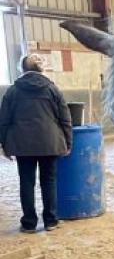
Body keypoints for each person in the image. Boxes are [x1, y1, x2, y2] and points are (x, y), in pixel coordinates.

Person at [0, 53, 72, 233]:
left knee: (26, 182)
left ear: (22, 69)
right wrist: (67, 143)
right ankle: (50, 221)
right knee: (48, 181)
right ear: (41, 69)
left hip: (22, 145)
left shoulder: (12, 91)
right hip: (50, 142)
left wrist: (3, 145)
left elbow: (4, 120)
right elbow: (65, 118)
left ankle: (29, 223)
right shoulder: (52, 89)